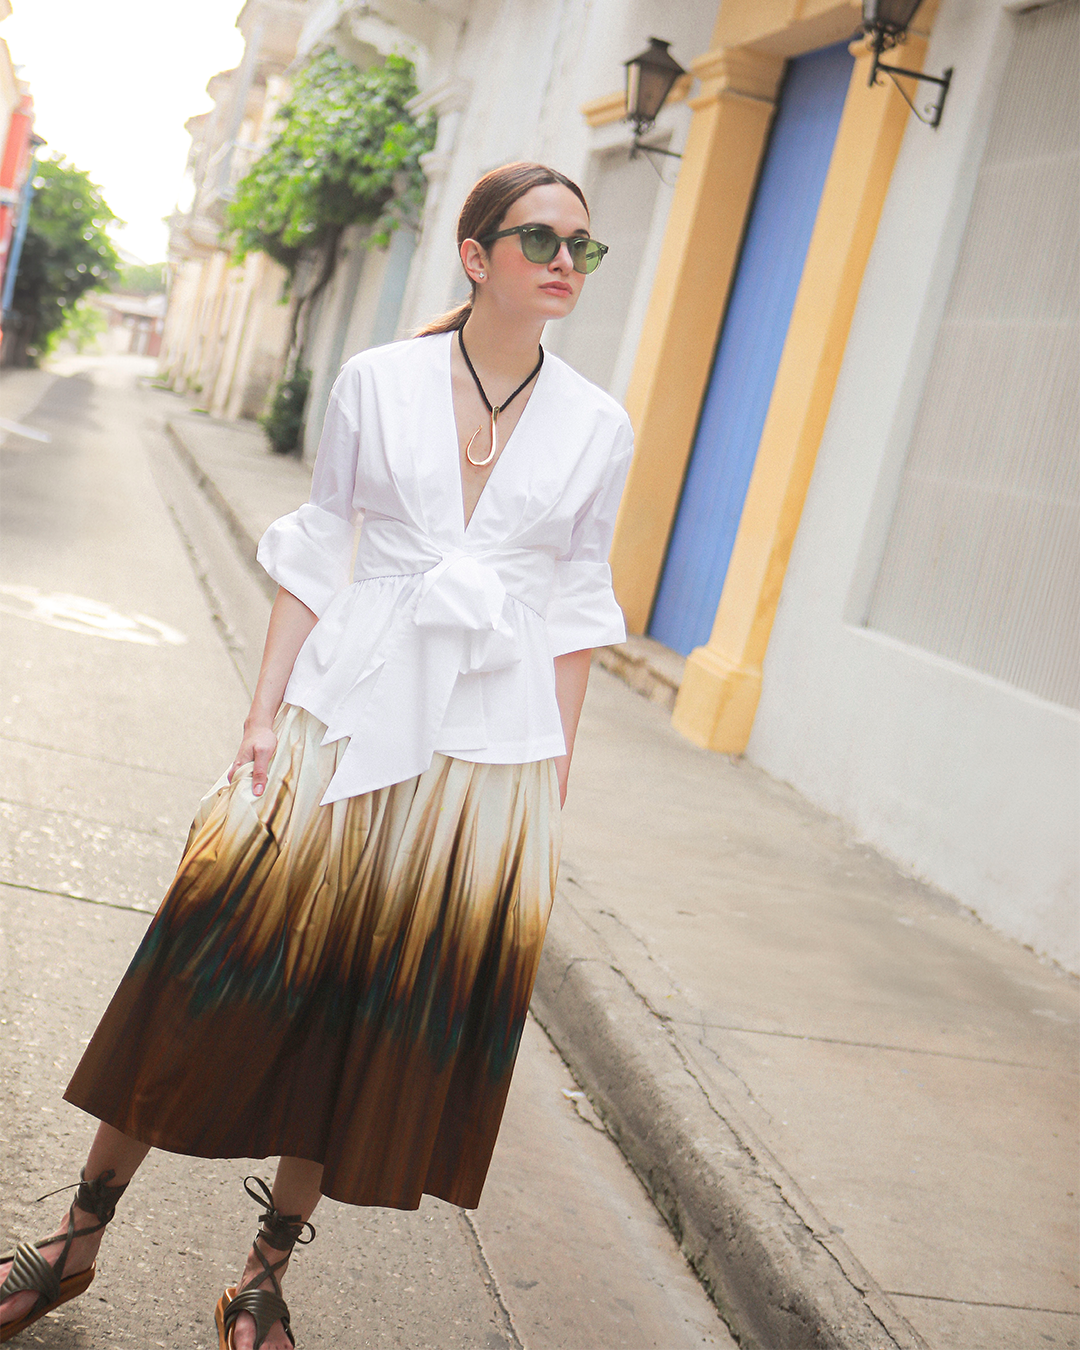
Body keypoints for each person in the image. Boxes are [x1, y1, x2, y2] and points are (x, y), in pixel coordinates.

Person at [0, 160, 633, 1350]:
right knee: (212, 953)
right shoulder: (380, 382)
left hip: (487, 754)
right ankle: (77, 1241)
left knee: (372, 1009)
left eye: (582, 249)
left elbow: (577, 609)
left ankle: (262, 1278)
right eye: (540, 239)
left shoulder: (599, 424)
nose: (564, 264)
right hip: (345, 710)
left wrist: (554, 786)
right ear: (476, 252)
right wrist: (260, 710)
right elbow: (314, 549)